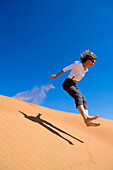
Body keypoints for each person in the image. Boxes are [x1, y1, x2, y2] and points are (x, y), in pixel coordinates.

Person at [50, 50, 101, 127]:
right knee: (78, 96)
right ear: (88, 59)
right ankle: (86, 118)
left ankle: (87, 120)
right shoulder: (77, 64)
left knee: (84, 100)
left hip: (74, 84)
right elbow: (65, 69)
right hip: (67, 83)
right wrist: (56, 76)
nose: (93, 63)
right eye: (93, 61)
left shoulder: (85, 70)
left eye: (94, 62)